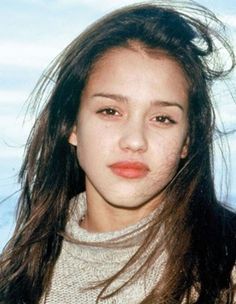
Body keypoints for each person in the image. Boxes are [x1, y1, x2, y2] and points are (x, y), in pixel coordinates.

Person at [0, 1, 235, 303]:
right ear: (71, 125)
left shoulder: (225, 272)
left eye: (162, 118)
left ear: (186, 141)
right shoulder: (17, 273)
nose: (135, 141)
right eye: (110, 111)